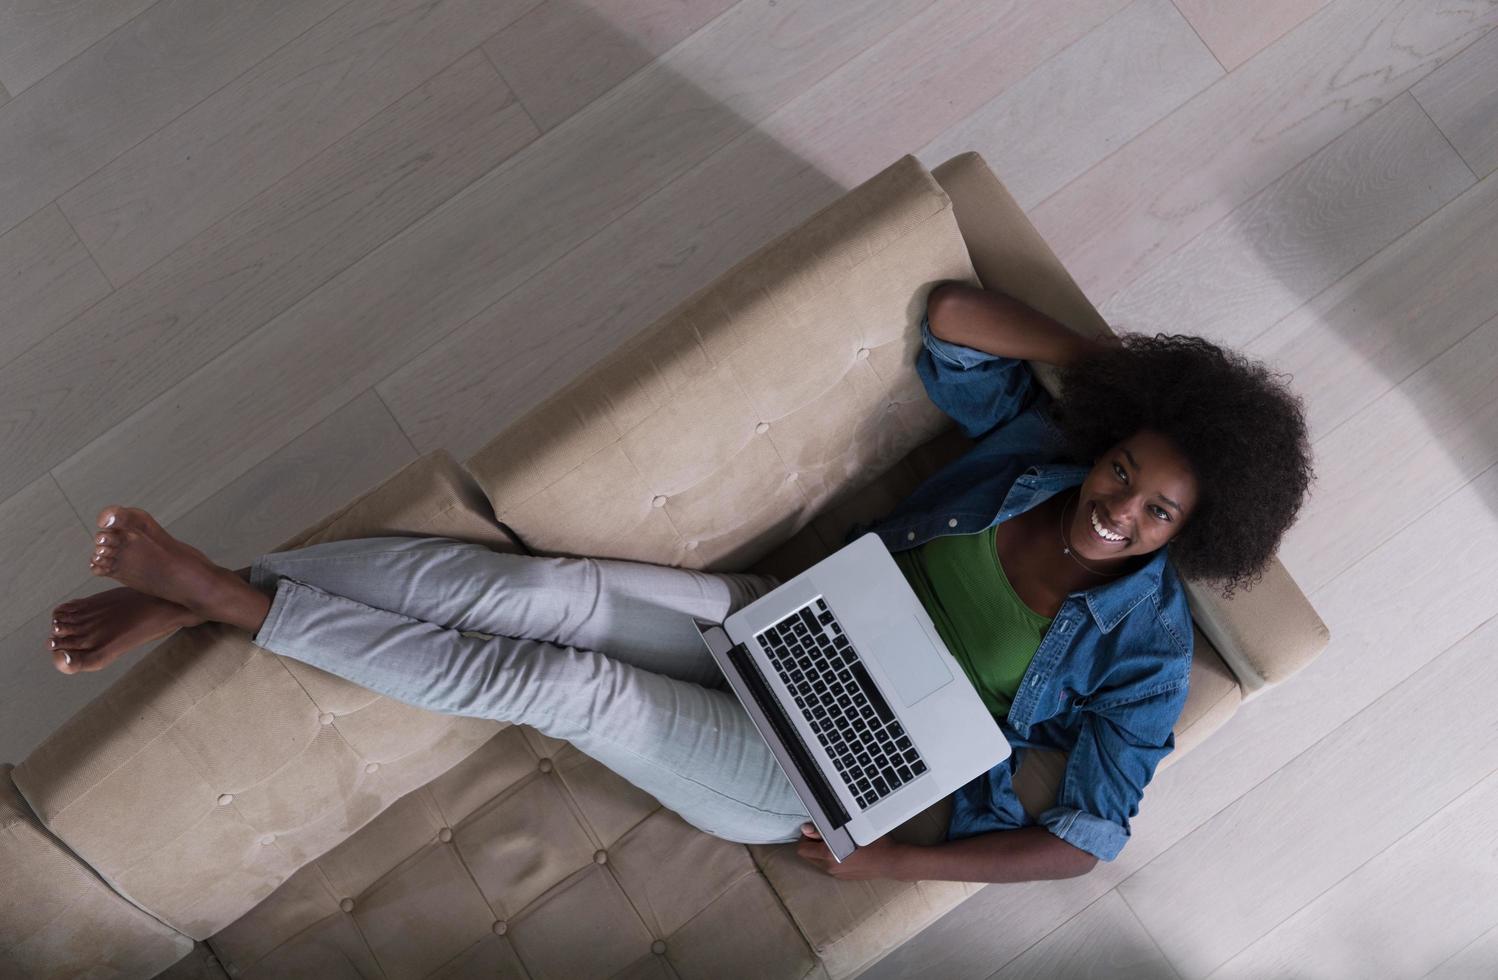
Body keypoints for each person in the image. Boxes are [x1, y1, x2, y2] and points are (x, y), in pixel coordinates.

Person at [46, 282, 1313, 884]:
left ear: (1188, 540)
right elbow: (952, 321)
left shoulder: (1140, 648)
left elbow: (1082, 843)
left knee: (557, 683)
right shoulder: (1044, 454)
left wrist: (885, 868)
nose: (1117, 507)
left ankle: (232, 598)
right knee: (538, 590)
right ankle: (206, 593)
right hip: (773, 619)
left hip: (819, 769)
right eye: (1124, 466)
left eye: (1156, 512)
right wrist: (1112, 374)